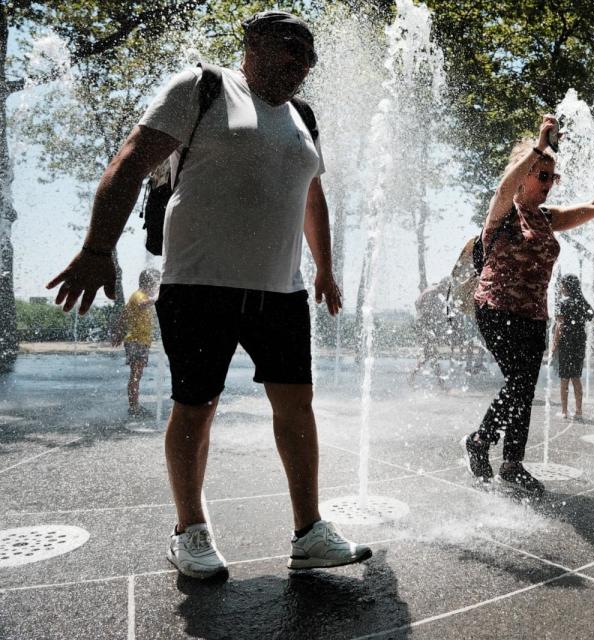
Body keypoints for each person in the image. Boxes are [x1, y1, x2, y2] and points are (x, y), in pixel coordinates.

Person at [46, 10, 371, 580]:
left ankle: (309, 531)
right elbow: (129, 161)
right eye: (288, 46)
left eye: (309, 54)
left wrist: (324, 268)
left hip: (281, 289)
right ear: (252, 44)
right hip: (200, 284)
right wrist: (98, 249)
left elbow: (312, 197)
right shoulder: (202, 88)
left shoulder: (303, 117)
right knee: (196, 406)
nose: (301, 61)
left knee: (296, 406)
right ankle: (190, 531)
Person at [463, 114, 594, 497]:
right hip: (496, 308)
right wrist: (540, 145)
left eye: (554, 178)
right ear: (526, 174)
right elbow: (503, 189)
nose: (550, 184)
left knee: (524, 388)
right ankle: (480, 441)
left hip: (534, 316)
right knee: (518, 382)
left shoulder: (548, 219)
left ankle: (511, 461)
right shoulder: (502, 214)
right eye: (543, 176)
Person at [551, 274, 594, 421]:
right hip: (579, 344)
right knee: (576, 377)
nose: (561, 288)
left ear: (568, 287)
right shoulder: (583, 303)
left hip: (566, 343)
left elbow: (559, 326)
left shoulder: (563, 303)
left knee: (564, 378)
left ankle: (563, 411)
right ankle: (579, 411)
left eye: (563, 285)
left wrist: (554, 344)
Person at [112, 268, 160, 417]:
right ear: (149, 283)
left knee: (137, 375)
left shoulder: (138, 295)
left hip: (141, 342)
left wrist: (119, 333)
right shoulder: (139, 295)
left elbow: (124, 315)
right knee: (135, 375)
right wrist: (158, 298)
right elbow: (141, 305)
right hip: (136, 341)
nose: (156, 288)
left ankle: (134, 405)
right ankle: (134, 407)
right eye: (156, 284)